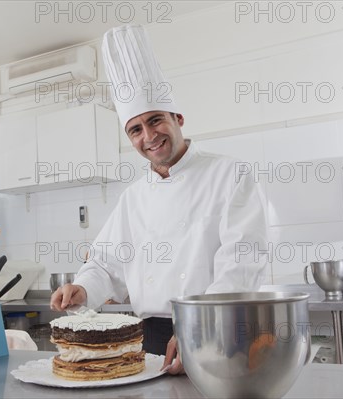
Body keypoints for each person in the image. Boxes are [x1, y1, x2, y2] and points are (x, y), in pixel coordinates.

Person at [50, 25, 268, 375]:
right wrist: (82, 288)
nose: (149, 136)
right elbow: (106, 263)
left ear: (177, 119)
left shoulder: (230, 174)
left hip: (218, 327)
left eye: (156, 121)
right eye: (135, 130)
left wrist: (201, 327)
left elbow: (241, 259)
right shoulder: (133, 197)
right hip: (149, 337)